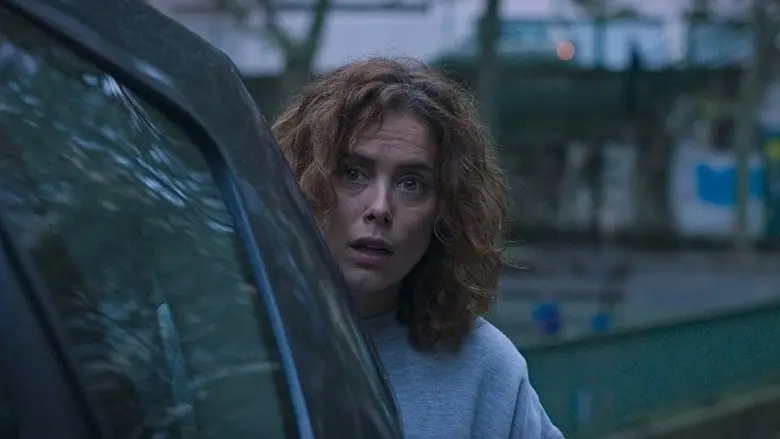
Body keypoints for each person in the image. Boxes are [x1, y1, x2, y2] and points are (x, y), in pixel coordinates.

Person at [272, 57, 563, 439]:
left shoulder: (484, 369)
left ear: (445, 212)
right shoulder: (227, 338)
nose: (379, 208)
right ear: (302, 183)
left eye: (411, 184)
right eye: (353, 173)